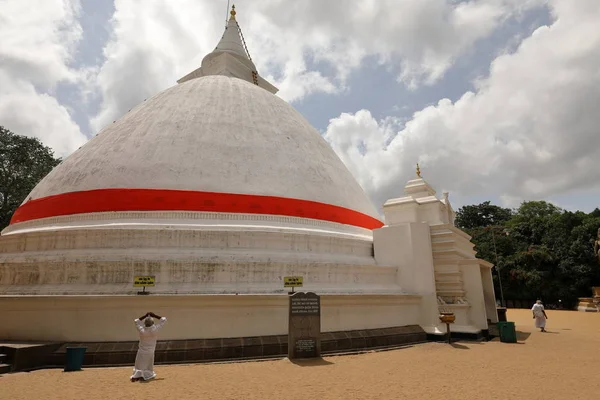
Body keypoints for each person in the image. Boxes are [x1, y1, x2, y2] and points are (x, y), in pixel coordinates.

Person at [131, 311, 167, 382]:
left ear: (144, 323)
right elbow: (164, 319)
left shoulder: (141, 330)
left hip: (141, 351)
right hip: (150, 351)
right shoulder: (154, 330)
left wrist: (145, 316)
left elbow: (136, 321)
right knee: (148, 366)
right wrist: (154, 315)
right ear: (153, 323)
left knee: (139, 365)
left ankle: (136, 376)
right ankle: (144, 376)